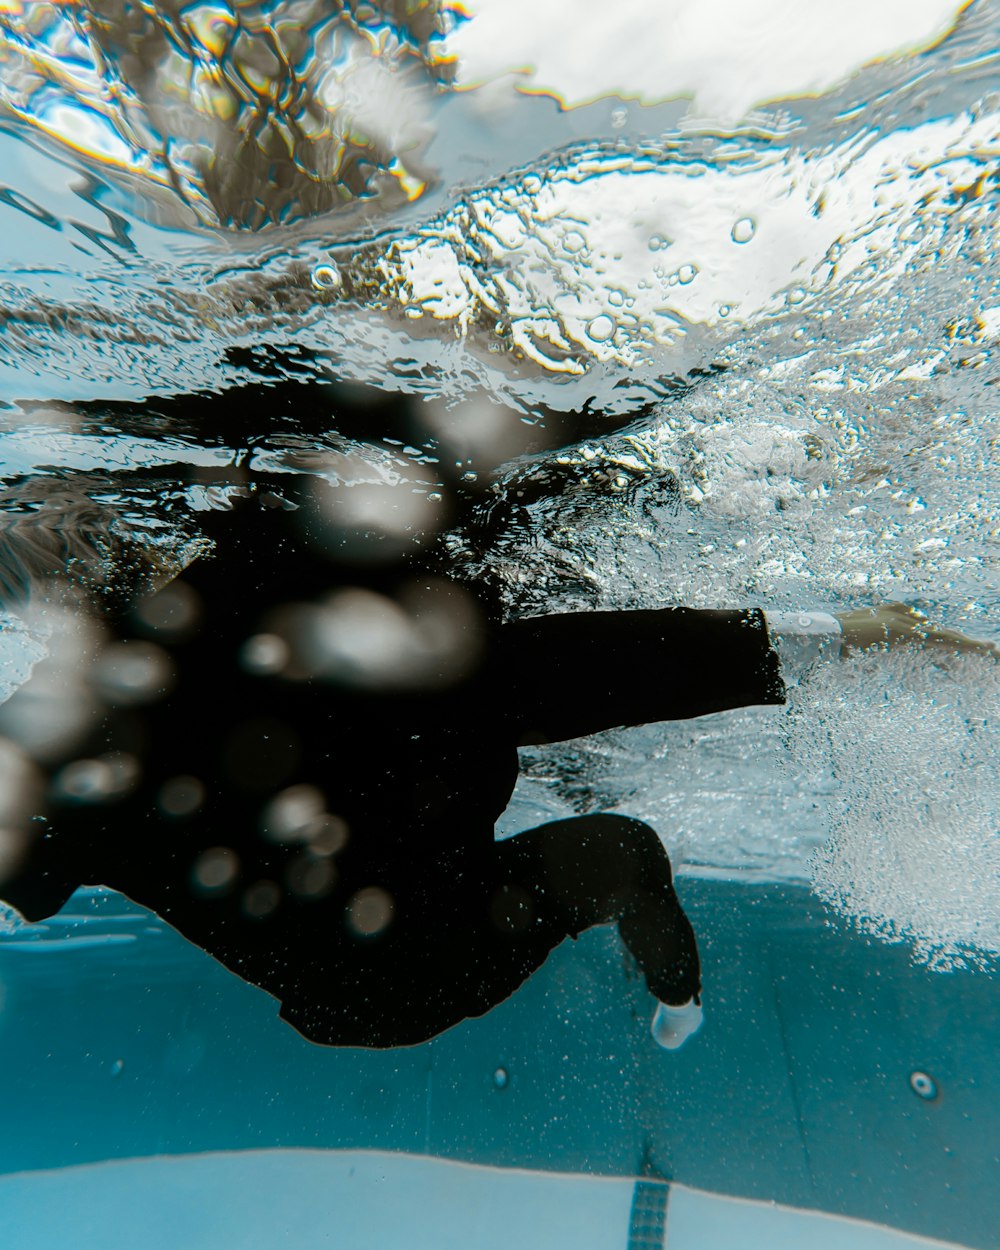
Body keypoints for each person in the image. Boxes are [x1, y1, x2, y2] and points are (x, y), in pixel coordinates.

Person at [0, 487, 994, 1051]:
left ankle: (675, 989)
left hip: (393, 842)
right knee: (617, 844)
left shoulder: (228, 613)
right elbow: (603, 669)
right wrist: (854, 640)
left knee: (578, 793)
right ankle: (680, 1001)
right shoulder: (66, 741)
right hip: (384, 975)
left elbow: (597, 668)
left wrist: (854, 640)